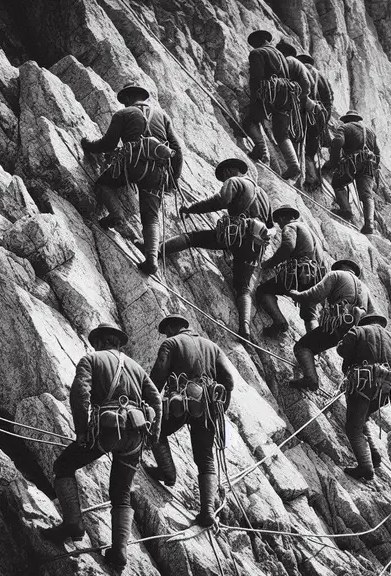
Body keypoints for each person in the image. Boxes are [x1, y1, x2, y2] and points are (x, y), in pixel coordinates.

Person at [42, 322, 162, 573]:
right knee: (122, 492)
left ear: (99, 342)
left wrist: (82, 431)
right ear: (117, 343)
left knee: (63, 466)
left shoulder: (91, 359)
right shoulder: (136, 368)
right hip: (135, 435)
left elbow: (80, 395)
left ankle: (73, 525)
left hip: (106, 431)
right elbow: (156, 401)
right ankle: (119, 552)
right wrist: (155, 434)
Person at [158, 158, 273, 339]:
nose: (224, 179)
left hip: (236, 235)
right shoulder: (264, 195)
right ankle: (245, 328)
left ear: (228, 171)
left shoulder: (234, 181)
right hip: (255, 245)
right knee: (243, 287)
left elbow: (220, 201)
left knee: (192, 238)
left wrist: (191, 209)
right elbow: (270, 224)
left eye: (223, 176)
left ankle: (156, 251)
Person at [144, 315, 237, 527]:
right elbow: (229, 381)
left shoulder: (171, 343)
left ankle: (167, 472)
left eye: (166, 330)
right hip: (209, 406)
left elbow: (158, 376)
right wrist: (221, 408)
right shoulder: (212, 347)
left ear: (171, 327)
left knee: (155, 430)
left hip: (181, 402)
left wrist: (147, 405)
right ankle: (208, 512)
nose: (166, 335)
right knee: (205, 457)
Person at [81, 83, 183, 275]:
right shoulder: (162, 116)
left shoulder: (124, 113)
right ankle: (151, 259)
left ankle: (116, 213)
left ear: (127, 98)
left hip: (132, 165)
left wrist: (88, 145)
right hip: (158, 172)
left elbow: (108, 143)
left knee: (103, 184)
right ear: (143, 97)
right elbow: (178, 151)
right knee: (151, 217)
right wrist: (174, 179)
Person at [285, 258, 376, 390]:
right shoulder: (365, 289)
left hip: (338, 324)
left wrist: (296, 295)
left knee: (302, 347)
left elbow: (314, 294)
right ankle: (309, 367)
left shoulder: (336, 275)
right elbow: (372, 316)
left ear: (339, 267)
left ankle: (311, 379)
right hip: (356, 332)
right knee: (315, 344)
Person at [336, 313, 391, 481]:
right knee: (362, 418)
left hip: (363, 383)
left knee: (353, 428)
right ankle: (375, 456)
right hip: (385, 389)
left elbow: (343, 350)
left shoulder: (358, 331)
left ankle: (366, 467)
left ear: (366, 322)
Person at [254, 205, 328, 337]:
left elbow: (287, 246)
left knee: (263, 291)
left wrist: (268, 264)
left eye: (278, 222)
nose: (279, 225)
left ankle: (280, 322)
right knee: (309, 314)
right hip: (316, 278)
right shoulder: (311, 233)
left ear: (283, 218)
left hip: (299, 273)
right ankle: (313, 345)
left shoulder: (291, 227)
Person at [243, 30, 303, 179]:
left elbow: (256, 77)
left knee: (250, 120)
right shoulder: (281, 55)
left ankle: (261, 151)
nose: (253, 46)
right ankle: (293, 164)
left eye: (254, 43)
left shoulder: (257, 53)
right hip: (286, 94)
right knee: (281, 132)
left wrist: (254, 100)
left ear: (259, 41)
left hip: (269, 91)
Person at [324, 110, 380, 234]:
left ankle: (346, 210)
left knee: (338, 184)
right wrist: (374, 169)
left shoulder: (345, 127)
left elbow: (338, 141)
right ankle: (369, 224)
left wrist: (334, 162)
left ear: (347, 120)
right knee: (367, 195)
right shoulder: (370, 131)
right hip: (369, 166)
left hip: (352, 163)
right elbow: (377, 152)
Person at [274, 40, 313, 181]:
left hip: (290, 102)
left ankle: (293, 166)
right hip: (301, 105)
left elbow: (305, 87)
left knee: (281, 131)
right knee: (297, 137)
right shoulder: (300, 65)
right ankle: (298, 175)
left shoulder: (288, 61)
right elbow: (309, 86)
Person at [295, 53, 333, 191]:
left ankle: (311, 178)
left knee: (302, 145)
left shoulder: (301, 70)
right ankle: (315, 175)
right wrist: (324, 120)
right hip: (320, 115)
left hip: (306, 112)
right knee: (312, 147)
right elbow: (329, 100)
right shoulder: (321, 76)